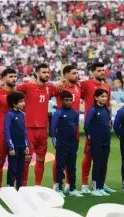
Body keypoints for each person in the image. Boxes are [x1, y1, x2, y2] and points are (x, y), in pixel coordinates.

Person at [16, 63, 59, 186]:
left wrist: (62, 82)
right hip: (29, 129)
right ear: (37, 73)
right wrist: (20, 105)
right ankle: (22, 186)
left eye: (47, 72)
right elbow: (12, 91)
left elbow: (60, 90)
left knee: (41, 159)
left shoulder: (49, 87)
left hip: (43, 129)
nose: (46, 74)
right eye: (44, 72)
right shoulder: (28, 86)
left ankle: (37, 186)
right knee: (26, 159)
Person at [80, 62, 115, 194]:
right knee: (89, 155)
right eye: (99, 70)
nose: (102, 72)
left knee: (104, 157)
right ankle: (84, 185)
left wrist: (109, 119)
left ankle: (101, 184)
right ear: (93, 72)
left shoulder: (106, 86)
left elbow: (109, 104)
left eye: (103, 70)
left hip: (104, 126)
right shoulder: (85, 84)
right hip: (92, 125)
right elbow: (75, 92)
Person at [52, 65, 82, 193]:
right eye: (74, 73)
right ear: (66, 75)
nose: (77, 75)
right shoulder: (60, 87)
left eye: (77, 73)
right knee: (60, 160)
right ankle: (56, 185)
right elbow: (47, 92)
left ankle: (71, 186)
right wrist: (57, 82)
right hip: (62, 131)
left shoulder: (78, 86)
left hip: (74, 131)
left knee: (72, 160)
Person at [0, 68, 17, 197]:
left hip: (16, 131)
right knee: (0, 161)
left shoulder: (18, 93)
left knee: (15, 161)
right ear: (3, 78)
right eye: (10, 76)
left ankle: (10, 187)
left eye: (15, 76)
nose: (13, 78)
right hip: (1, 131)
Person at [84, 89, 111, 197]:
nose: (104, 98)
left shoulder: (106, 110)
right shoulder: (93, 110)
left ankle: (100, 186)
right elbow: (87, 125)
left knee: (103, 164)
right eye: (102, 96)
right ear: (96, 98)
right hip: (96, 141)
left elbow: (108, 123)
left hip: (106, 141)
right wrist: (91, 137)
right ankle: (95, 188)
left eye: (105, 96)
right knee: (97, 164)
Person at [4, 91, 29, 190]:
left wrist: (26, 145)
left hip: (22, 146)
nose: (23, 103)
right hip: (13, 147)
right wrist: (10, 147)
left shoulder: (22, 114)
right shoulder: (9, 115)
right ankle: (9, 187)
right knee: (12, 168)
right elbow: (7, 131)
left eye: (23, 101)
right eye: (21, 101)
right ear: (14, 103)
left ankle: (19, 188)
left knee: (21, 168)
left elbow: (24, 131)